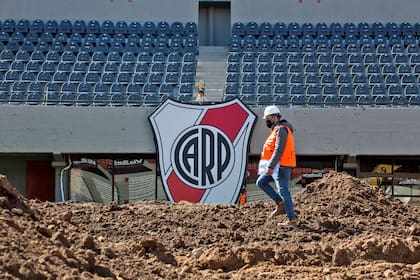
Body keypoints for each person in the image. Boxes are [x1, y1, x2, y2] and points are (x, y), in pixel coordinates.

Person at [256, 105, 298, 227]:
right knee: (261, 182)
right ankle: (280, 204)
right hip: (277, 166)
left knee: (284, 191)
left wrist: (270, 165)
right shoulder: (277, 130)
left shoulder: (281, 130)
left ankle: (292, 220)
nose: (267, 121)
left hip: (281, 166)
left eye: (268, 118)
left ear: (274, 117)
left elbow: (279, 149)